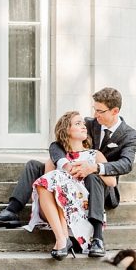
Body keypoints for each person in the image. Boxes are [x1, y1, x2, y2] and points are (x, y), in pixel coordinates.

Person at [0, 86, 136, 258]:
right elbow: (57, 143)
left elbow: (126, 164)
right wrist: (64, 164)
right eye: (95, 110)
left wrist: (95, 167)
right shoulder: (90, 124)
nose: (95, 115)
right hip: (72, 175)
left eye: (100, 111)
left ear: (114, 111)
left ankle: (97, 238)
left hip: (101, 184)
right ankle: (12, 210)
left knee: (93, 178)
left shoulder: (130, 136)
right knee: (33, 166)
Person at [23, 111, 116, 259]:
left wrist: (91, 168)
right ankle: (62, 238)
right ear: (66, 130)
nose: (84, 127)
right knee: (47, 181)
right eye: (78, 123)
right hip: (61, 209)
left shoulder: (94, 154)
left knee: (54, 180)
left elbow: (112, 182)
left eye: (83, 124)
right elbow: (49, 188)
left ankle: (67, 240)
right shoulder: (56, 158)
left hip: (84, 204)